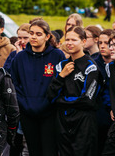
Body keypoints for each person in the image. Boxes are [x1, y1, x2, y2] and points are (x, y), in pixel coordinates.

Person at [10, 19, 65, 156]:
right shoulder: (20, 57)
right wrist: (24, 105)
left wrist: (49, 104)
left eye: (38, 34)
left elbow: (61, 83)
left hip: (49, 113)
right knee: (33, 151)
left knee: (49, 151)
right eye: (31, 33)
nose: (33, 37)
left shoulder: (57, 55)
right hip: (27, 113)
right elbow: (14, 84)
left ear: (47, 36)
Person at [47, 26, 100, 156]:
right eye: (67, 39)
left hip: (83, 122)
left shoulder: (91, 67)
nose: (69, 43)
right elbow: (51, 96)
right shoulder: (61, 66)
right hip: (63, 121)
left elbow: (88, 101)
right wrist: (60, 77)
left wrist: (62, 101)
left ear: (83, 42)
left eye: (74, 40)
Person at [96, 29, 113, 154]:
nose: (102, 46)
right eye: (100, 43)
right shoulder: (94, 64)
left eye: (106, 43)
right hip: (100, 114)